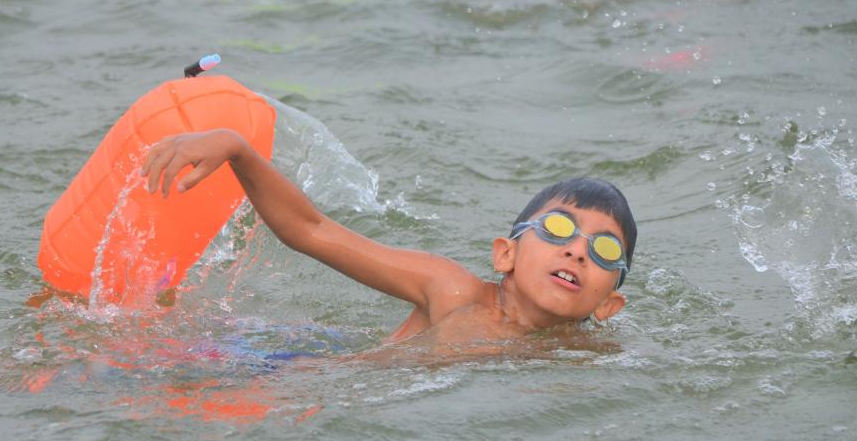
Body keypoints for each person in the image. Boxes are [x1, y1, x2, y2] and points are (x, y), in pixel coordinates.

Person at [141, 130, 636, 348]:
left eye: (604, 250)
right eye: (557, 230)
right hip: (291, 366)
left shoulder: (588, 351)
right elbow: (312, 231)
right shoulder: (451, 291)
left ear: (609, 304)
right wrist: (239, 151)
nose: (577, 249)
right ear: (505, 254)